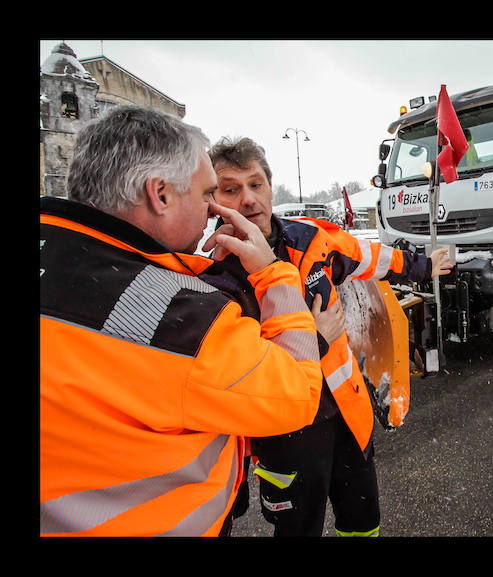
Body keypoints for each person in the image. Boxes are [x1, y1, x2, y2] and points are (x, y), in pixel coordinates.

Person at [39, 106, 326, 537]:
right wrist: (273, 275)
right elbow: (297, 393)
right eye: (211, 192)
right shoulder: (182, 319)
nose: (214, 210)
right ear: (161, 194)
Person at [206, 136, 453, 537]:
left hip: (345, 415)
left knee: (363, 521)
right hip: (286, 437)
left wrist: (423, 266)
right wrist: (316, 338)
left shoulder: (311, 240)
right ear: (211, 201)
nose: (248, 200)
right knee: (299, 530)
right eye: (231, 190)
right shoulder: (215, 281)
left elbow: (366, 256)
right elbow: (237, 375)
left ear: (270, 187)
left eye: (256, 184)